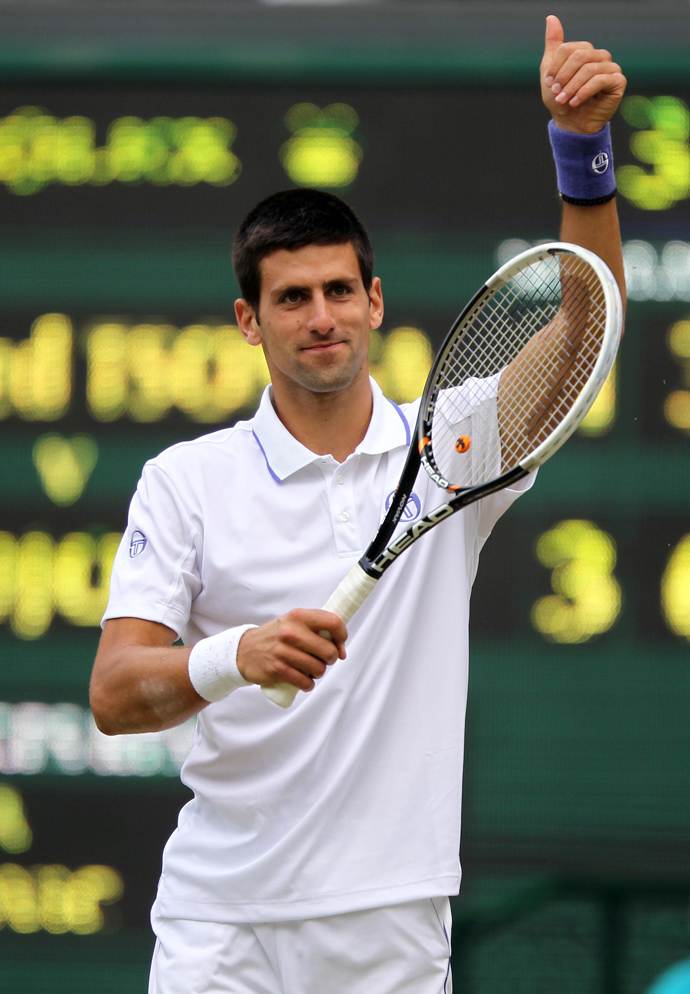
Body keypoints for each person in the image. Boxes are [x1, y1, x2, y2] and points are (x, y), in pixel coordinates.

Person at [90, 16, 627, 993]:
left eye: (340, 290)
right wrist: (239, 655)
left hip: (392, 923)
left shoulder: (453, 443)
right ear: (249, 321)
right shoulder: (185, 479)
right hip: (221, 923)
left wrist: (581, 152)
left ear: (375, 301)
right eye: (292, 298)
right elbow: (116, 694)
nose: (322, 316)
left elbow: (584, 332)